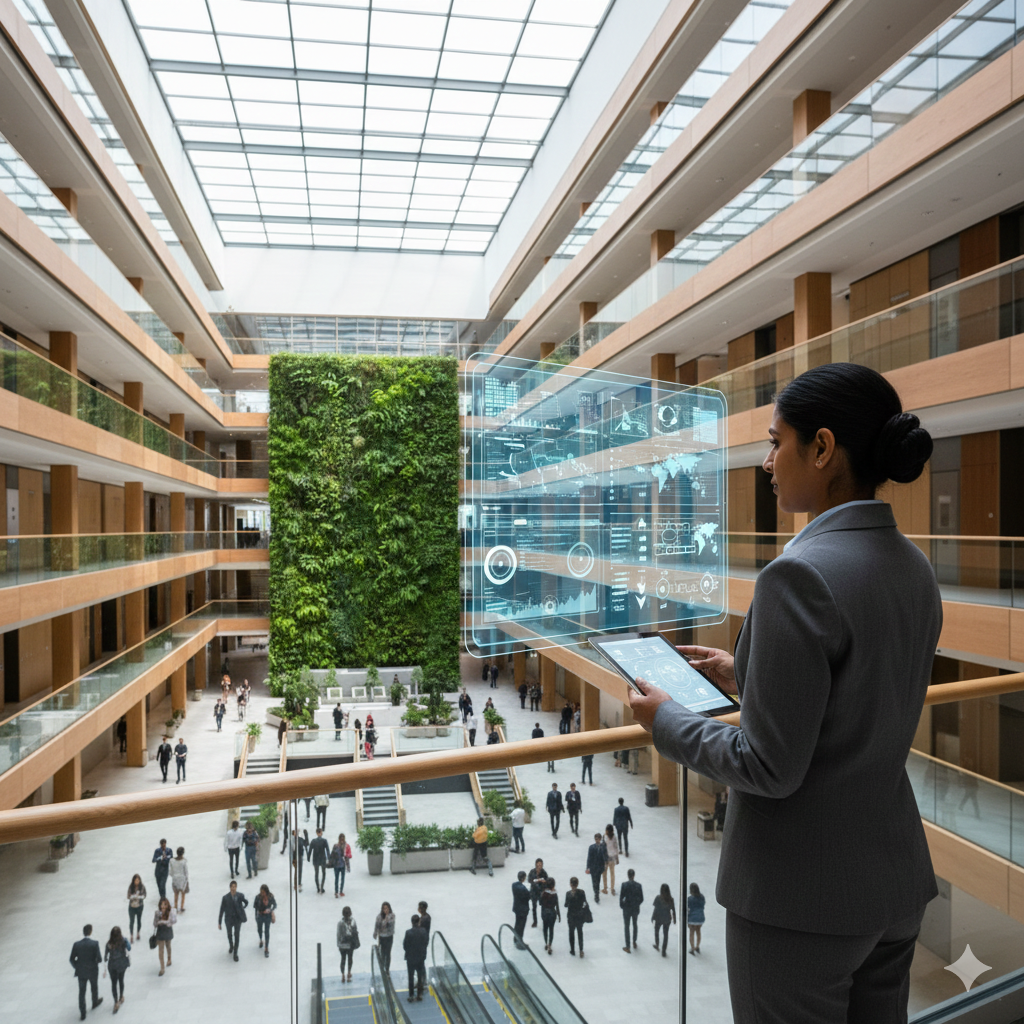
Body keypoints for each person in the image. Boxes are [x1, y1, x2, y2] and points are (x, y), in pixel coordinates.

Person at [628, 364, 942, 1024]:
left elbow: (766, 765)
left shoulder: (796, 576)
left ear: (822, 449)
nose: (767, 461)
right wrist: (745, 675)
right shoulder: (914, 567)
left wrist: (666, 721)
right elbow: (860, 692)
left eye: (777, 442)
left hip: (799, 903)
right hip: (892, 885)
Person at [70, 924, 103, 1019]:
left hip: (81, 972)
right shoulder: (95, 943)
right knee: (94, 987)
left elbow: (71, 959)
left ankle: (83, 1013)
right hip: (92, 970)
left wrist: (77, 967)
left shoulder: (76, 944)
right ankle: (94, 1002)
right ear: (91, 931)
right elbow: (99, 959)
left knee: (82, 992)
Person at [218, 879, 249, 961]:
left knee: (237, 935)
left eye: (235, 886)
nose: (233, 888)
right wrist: (219, 922)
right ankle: (231, 945)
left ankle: (235, 953)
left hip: (237, 919)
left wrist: (242, 908)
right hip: (228, 919)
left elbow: (246, 902)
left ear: (236, 887)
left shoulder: (240, 896)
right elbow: (222, 910)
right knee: (229, 934)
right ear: (230, 887)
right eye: (232, 887)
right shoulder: (225, 898)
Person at [103, 925, 130, 1012]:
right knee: (121, 980)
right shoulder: (123, 941)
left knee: (114, 983)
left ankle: (116, 1002)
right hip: (122, 963)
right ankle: (121, 996)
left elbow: (105, 957)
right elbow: (129, 948)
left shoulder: (108, 944)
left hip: (112, 965)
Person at [403, 914, 429, 1002]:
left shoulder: (408, 932)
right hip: (420, 958)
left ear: (411, 922)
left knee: (410, 976)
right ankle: (419, 994)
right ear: (419, 922)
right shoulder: (423, 931)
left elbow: (405, 945)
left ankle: (411, 995)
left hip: (410, 958)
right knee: (419, 976)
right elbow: (425, 943)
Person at [564, 877, 590, 958]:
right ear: (577, 884)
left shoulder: (568, 894)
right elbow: (584, 902)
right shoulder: (582, 892)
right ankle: (581, 949)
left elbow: (565, 904)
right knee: (580, 932)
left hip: (571, 915)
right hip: (579, 915)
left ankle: (572, 949)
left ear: (570, 884)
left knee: (571, 933)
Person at [619, 868, 644, 953]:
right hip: (635, 908)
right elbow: (641, 898)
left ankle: (628, 945)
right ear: (634, 875)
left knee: (627, 926)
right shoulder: (639, 885)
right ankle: (634, 941)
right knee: (635, 924)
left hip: (627, 908)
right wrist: (636, 904)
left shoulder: (624, 885)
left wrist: (623, 906)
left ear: (628, 875)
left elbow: (621, 897)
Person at [152, 897, 176, 976]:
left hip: (167, 930)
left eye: (165, 905)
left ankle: (169, 958)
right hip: (160, 932)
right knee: (160, 950)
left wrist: (165, 922)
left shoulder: (171, 912)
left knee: (168, 945)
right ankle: (162, 968)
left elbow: (174, 921)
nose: (163, 907)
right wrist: (158, 921)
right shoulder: (157, 912)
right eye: (162, 905)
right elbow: (155, 923)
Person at [651, 884, 676, 957]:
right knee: (666, 934)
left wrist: (653, 917)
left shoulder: (658, 898)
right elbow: (673, 910)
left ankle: (657, 944)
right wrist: (674, 919)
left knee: (656, 931)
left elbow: (655, 909)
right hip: (667, 918)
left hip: (659, 917)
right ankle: (664, 951)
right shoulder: (671, 899)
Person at [337, 906, 359, 981]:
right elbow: (355, 932)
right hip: (350, 944)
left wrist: (338, 944)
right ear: (350, 913)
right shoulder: (353, 921)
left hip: (342, 944)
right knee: (350, 958)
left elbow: (338, 934)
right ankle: (349, 973)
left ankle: (343, 975)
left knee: (343, 959)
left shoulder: (340, 923)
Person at [254, 884, 277, 958]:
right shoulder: (257, 897)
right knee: (259, 930)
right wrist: (256, 917)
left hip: (267, 916)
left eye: (263, 892)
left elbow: (275, 905)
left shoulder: (270, 897)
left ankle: (266, 947)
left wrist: (271, 910)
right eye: (261, 892)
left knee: (267, 931)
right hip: (260, 916)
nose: (262, 893)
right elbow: (255, 908)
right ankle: (261, 939)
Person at [540, 877, 560, 954]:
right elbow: (557, 905)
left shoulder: (543, 893)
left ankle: (546, 943)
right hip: (552, 913)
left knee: (545, 928)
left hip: (545, 912)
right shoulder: (555, 894)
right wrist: (558, 914)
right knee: (551, 929)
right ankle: (550, 944)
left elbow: (540, 903)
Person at [374, 902, 396, 970]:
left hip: (389, 936)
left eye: (387, 908)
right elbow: (377, 926)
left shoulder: (392, 916)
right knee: (382, 953)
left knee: (388, 953)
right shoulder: (379, 916)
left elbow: (390, 926)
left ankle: (387, 968)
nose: (385, 910)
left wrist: (386, 919)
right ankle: (382, 967)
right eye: (384, 909)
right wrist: (375, 933)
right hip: (382, 937)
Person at [585, 833, 606, 903]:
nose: (597, 840)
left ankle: (597, 893)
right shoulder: (591, 847)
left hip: (599, 867)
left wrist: (604, 866)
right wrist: (587, 867)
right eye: (596, 839)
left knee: (598, 881)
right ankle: (596, 893)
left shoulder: (603, 847)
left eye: (598, 839)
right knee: (594, 882)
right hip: (593, 867)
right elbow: (589, 858)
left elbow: (604, 857)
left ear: (600, 839)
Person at [309, 827, 331, 894]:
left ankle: (318, 888)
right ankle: (322, 887)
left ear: (316, 833)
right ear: (321, 833)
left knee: (316, 873)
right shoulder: (324, 841)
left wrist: (308, 857)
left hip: (315, 859)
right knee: (323, 873)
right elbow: (327, 850)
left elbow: (310, 850)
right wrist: (329, 858)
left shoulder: (313, 841)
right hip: (322, 859)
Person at [528, 859, 548, 928]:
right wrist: (537, 880)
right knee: (534, 907)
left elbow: (547, 881)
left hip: (541, 892)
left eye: (541, 864)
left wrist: (544, 882)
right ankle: (535, 921)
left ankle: (544, 920)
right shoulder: (532, 871)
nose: (539, 866)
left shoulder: (544, 872)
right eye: (538, 864)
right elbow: (529, 880)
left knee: (543, 906)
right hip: (534, 891)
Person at [330, 833, 352, 897]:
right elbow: (349, 856)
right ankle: (341, 892)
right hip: (342, 865)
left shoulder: (335, 846)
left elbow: (332, 855)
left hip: (336, 865)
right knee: (342, 879)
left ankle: (336, 892)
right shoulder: (347, 846)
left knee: (336, 879)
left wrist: (331, 862)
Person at [687, 882, 706, 955]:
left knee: (691, 933)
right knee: (698, 931)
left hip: (692, 918)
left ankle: (692, 948)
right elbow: (703, 905)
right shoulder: (702, 897)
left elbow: (687, 908)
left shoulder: (690, 899)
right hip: (700, 917)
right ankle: (697, 947)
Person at [126, 875, 146, 942]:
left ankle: (138, 932)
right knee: (132, 921)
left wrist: (139, 897)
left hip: (139, 906)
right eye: (135, 880)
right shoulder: (131, 887)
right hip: (132, 906)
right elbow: (128, 896)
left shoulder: (142, 887)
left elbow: (144, 895)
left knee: (139, 920)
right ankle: (131, 934)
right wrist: (133, 896)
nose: (137, 882)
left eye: (138, 880)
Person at [169, 846, 189, 912]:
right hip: (182, 879)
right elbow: (186, 872)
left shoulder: (172, 861)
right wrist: (186, 879)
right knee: (183, 893)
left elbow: (170, 872)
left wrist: (173, 875)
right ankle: (182, 907)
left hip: (175, 878)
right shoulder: (184, 861)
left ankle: (175, 906)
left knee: (176, 893)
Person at [512, 871, 531, 940]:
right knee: (521, 926)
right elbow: (529, 897)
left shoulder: (514, 885)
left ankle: (515, 938)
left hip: (517, 908)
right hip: (523, 910)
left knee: (517, 924)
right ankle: (519, 940)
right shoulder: (524, 889)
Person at [602, 824, 619, 895]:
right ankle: (609, 888)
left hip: (608, 858)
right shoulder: (609, 837)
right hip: (608, 858)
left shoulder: (610, 837)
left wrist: (616, 857)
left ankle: (608, 888)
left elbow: (615, 847)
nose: (605, 831)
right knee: (608, 874)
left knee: (608, 873)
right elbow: (615, 848)